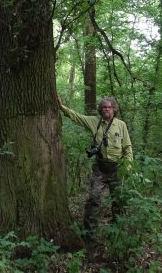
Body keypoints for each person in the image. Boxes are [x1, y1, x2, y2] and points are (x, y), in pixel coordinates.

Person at [57, 94, 133, 238]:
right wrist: (61, 107)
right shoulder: (94, 122)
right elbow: (76, 117)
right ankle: (89, 234)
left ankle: (117, 233)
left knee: (118, 200)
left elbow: (127, 147)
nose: (106, 110)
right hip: (100, 168)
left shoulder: (121, 125)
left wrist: (128, 165)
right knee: (93, 199)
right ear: (100, 109)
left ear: (114, 109)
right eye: (104, 107)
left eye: (109, 107)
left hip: (117, 168)